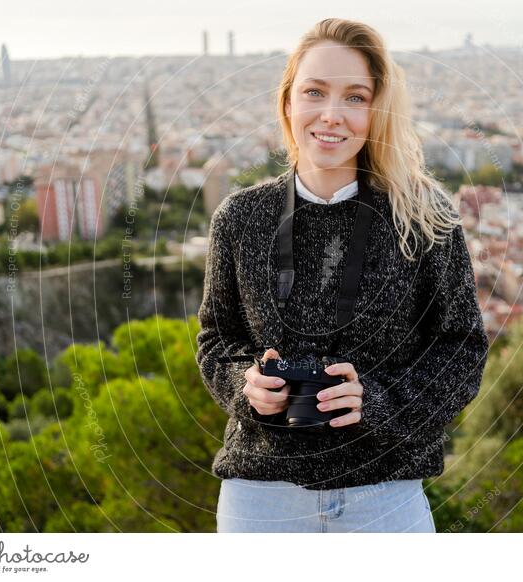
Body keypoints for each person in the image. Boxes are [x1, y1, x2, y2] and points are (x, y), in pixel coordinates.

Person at [196, 17, 489, 533]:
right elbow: (217, 340)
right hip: (261, 500)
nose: (332, 115)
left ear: (377, 112)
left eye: (355, 97)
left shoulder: (424, 218)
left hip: (385, 497)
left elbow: (461, 349)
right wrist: (247, 389)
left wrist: (375, 402)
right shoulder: (240, 219)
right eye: (314, 92)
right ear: (288, 103)